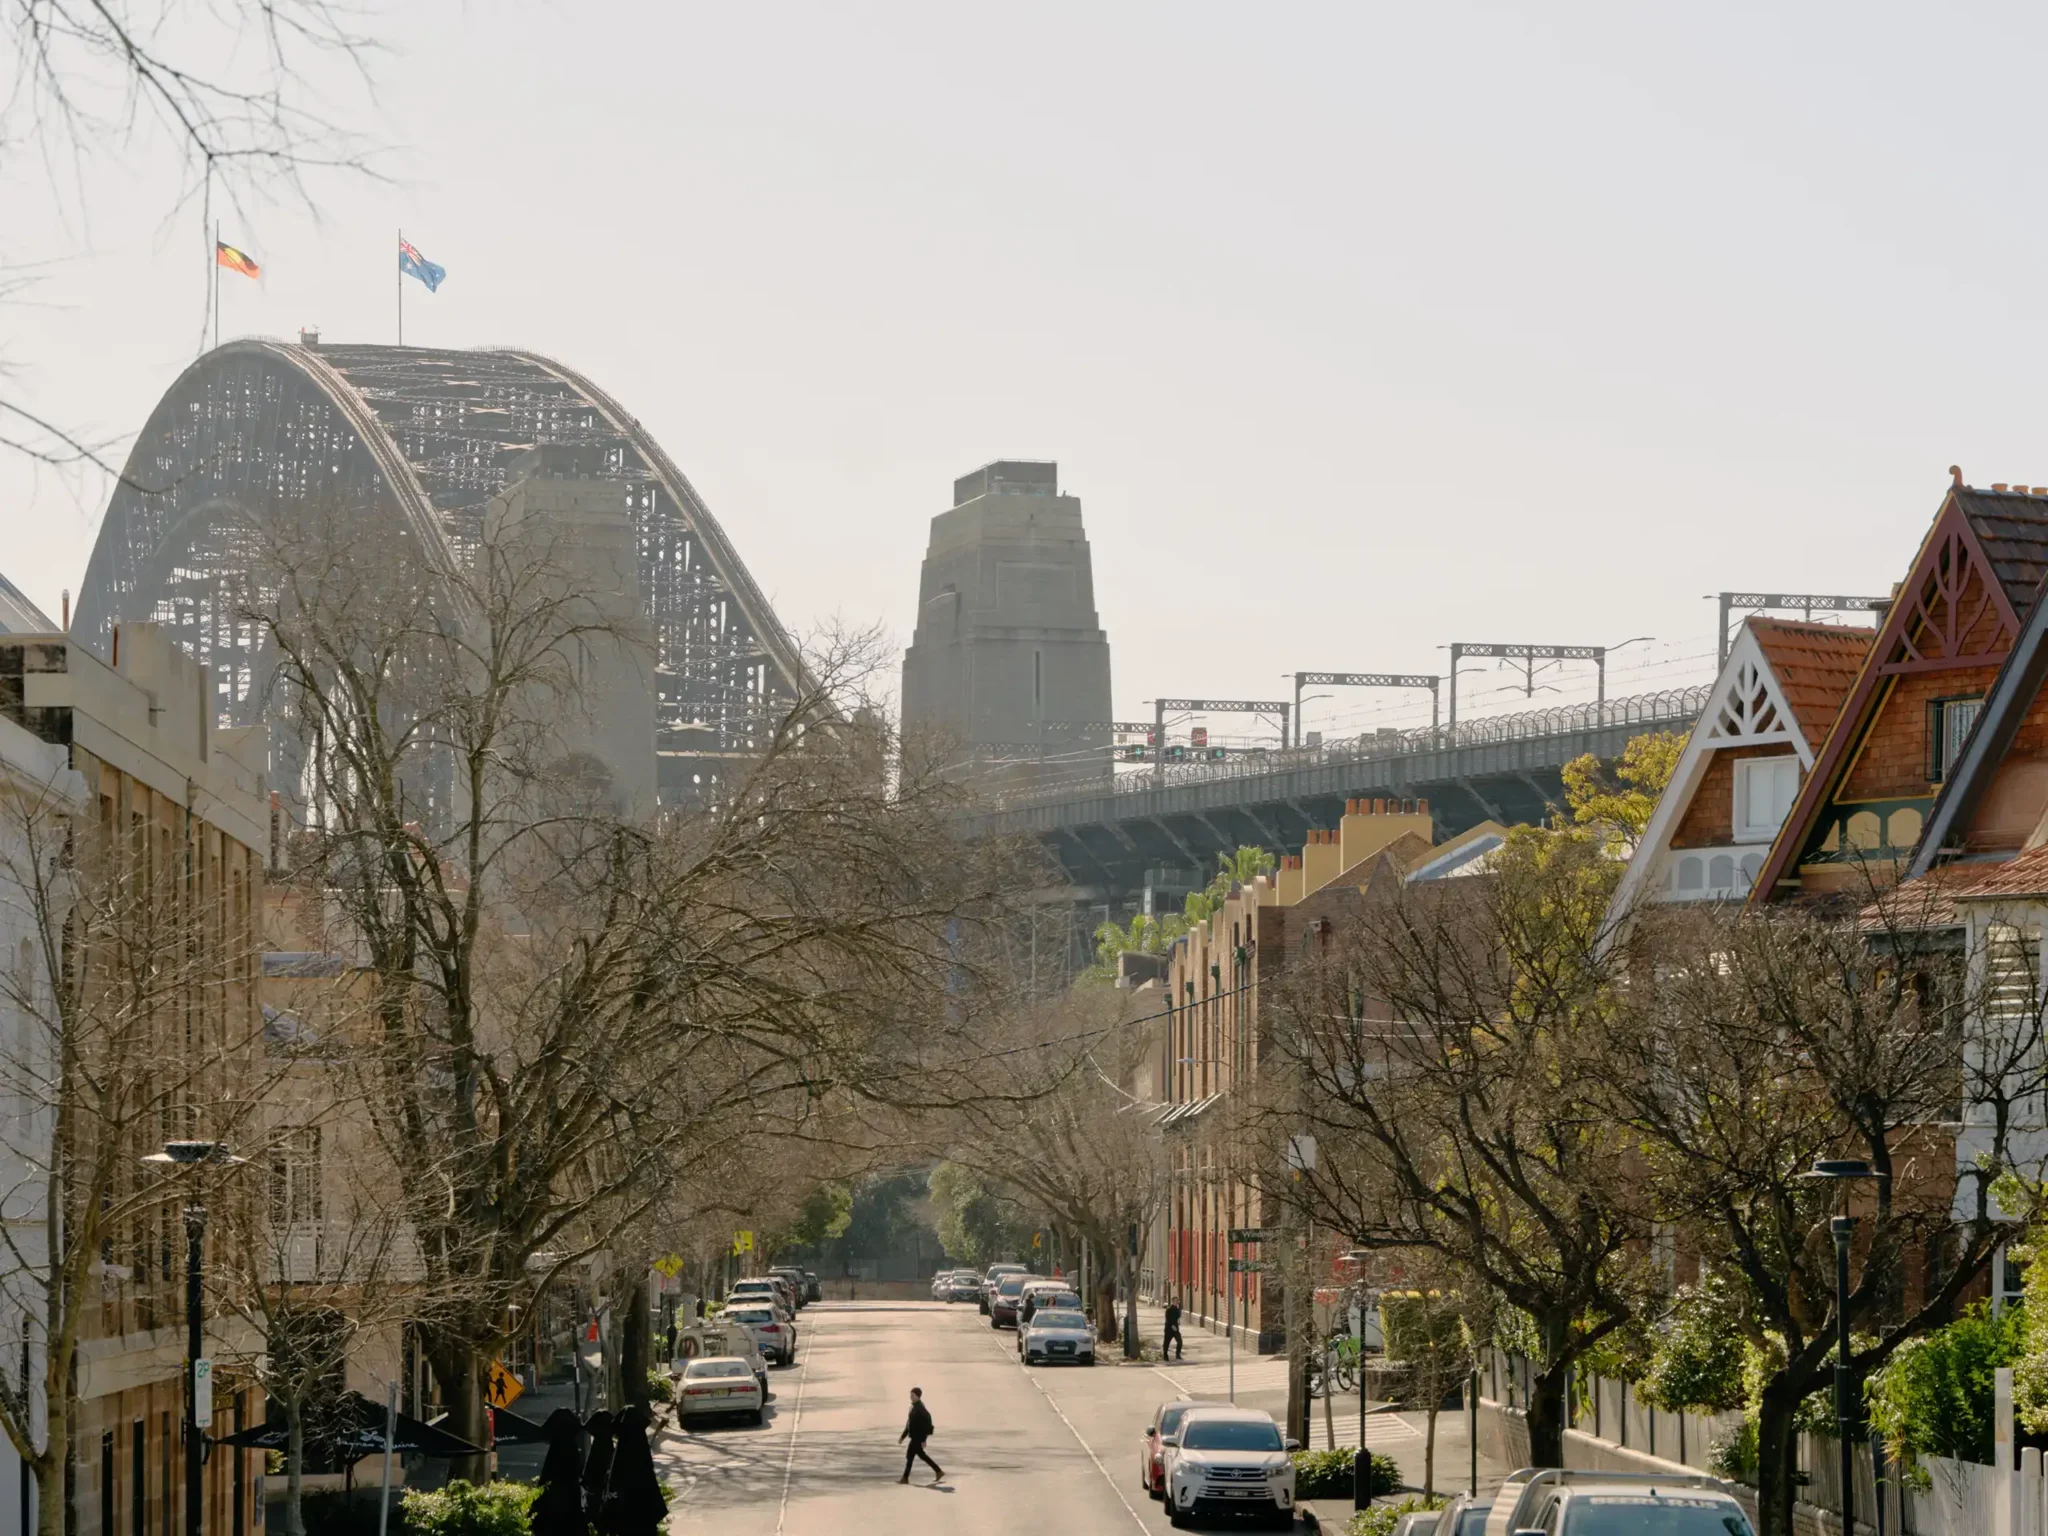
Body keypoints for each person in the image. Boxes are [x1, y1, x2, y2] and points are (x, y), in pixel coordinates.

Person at [897, 1387, 944, 1485]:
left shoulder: (920, 1408)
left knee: (910, 1455)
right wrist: (902, 1436)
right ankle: (938, 1471)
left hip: (917, 1437)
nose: (911, 1397)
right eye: (910, 1394)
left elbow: (927, 1424)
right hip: (914, 1437)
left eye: (913, 1395)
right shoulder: (913, 1407)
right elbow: (909, 1424)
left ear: (918, 1396)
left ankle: (905, 1478)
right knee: (921, 1455)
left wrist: (923, 1439)